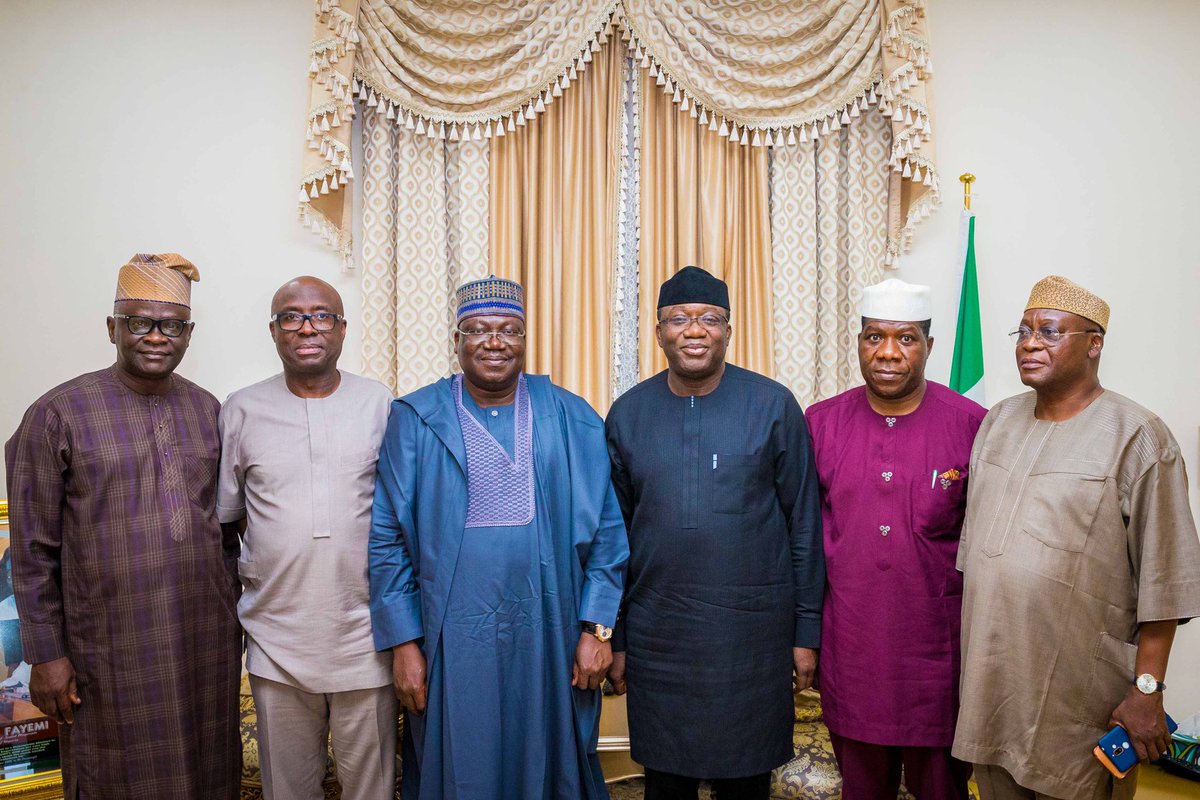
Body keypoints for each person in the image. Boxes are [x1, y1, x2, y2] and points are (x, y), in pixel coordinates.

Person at [368, 276, 628, 800]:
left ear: (525, 338)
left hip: (550, 635)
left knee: (549, 764)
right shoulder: (416, 418)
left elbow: (608, 532)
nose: (494, 342)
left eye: (509, 330)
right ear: (457, 339)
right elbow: (386, 537)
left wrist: (597, 632)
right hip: (450, 640)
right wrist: (403, 643)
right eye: (478, 330)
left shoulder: (570, 416)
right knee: (462, 763)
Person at [954, 275, 1200, 800]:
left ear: (1094, 344)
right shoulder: (997, 422)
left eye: (1049, 331)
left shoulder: (1138, 435)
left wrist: (1148, 691)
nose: (1030, 343)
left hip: (1077, 697)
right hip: (992, 687)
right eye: (1023, 331)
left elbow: (1166, 580)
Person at [4, 253, 241, 799]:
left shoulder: (208, 410)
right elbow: (31, 552)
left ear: (189, 334)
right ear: (112, 328)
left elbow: (227, 530)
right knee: (113, 774)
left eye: (172, 325)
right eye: (139, 322)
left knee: (209, 768)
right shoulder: (57, 414)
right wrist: (46, 654)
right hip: (107, 647)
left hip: (205, 641)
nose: (156, 336)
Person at [605, 265, 824, 800]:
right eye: (679, 319)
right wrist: (619, 638)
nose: (694, 330)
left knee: (746, 781)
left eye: (709, 319)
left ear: (729, 329)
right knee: (666, 783)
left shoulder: (773, 406)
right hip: (660, 639)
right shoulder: (628, 414)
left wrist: (806, 633)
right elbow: (613, 539)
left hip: (751, 641)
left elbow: (804, 526)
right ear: (659, 333)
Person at [217, 277, 396, 800]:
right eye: (291, 317)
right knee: (288, 791)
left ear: (342, 328)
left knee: (372, 790)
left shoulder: (379, 403)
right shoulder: (241, 408)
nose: (307, 328)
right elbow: (231, 518)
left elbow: (400, 516)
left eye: (321, 316)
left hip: (365, 638)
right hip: (277, 639)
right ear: (274, 330)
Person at [805, 279, 983, 800]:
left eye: (906, 338)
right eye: (874, 337)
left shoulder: (972, 425)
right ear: (859, 342)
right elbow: (803, 543)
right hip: (852, 652)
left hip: (938, 659)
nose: (887, 352)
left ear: (930, 345)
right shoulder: (820, 423)